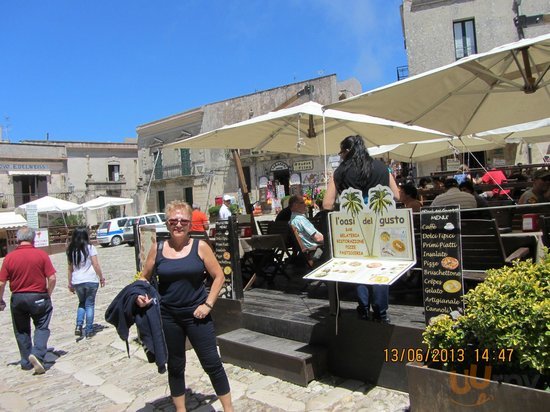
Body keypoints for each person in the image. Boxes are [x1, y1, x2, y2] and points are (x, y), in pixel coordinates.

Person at [136, 200, 233, 412]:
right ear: (167, 223)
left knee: (212, 363)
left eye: (183, 221)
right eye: (173, 220)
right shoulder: (158, 248)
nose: (178, 225)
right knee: (176, 366)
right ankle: (181, 410)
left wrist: (208, 304)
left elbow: (219, 277)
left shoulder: (201, 247)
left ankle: (229, 409)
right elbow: (144, 277)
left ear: (190, 224)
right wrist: (140, 295)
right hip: (168, 317)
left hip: (197, 316)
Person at [323, 135, 400, 323]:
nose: (340, 156)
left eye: (341, 152)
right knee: (381, 266)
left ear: (347, 151)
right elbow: (396, 195)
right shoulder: (382, 167)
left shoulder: (340, 172)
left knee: (360, 266)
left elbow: (327, 204)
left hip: (354, 225)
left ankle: (363, 308)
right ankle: (381, 311)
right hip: (381, 223)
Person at [0, 226, 56, 374]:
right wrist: (47, 294)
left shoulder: (9, 258)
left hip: (18, 298)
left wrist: (0, 299)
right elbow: (52, 278)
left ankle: (26, 361)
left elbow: (1, 282)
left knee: (21, 330)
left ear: (18, 239)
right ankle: (37, 354)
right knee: (42, 327)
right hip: (38, 296)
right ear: (33, 239)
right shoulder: (41, 255)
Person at [67, 227, 106, 339]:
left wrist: (70, 283)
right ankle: (89, 330)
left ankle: (79, 325)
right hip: (90, 280)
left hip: (77, 281)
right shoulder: (90, 248)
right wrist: (101, 277)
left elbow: (70, 268)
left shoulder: (71, 250)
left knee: (82, 303)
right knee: (90, 304)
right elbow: (95, 264)